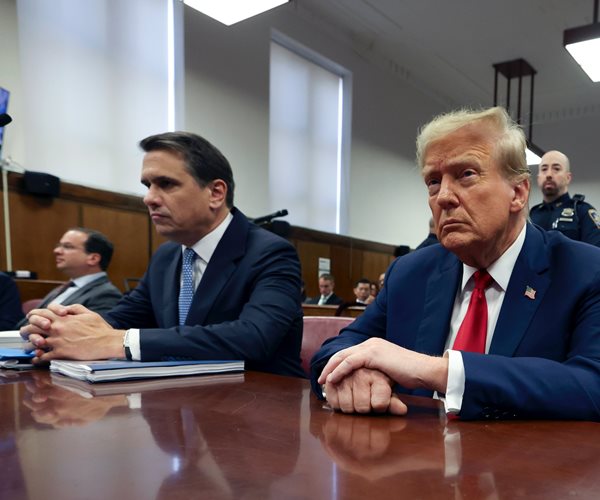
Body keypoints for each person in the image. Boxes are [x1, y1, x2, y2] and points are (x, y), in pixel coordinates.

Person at [312, 107, 600, 421]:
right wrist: (355, 376)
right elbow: (338, 348)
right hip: (411, 448)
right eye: (433, 182)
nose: (444, 197)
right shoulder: (410, 272)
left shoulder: (583, 271)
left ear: (518, 193)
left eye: (466, 174)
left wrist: (438, 371)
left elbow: (592, 385)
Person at [22, 131, 304, 377]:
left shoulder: (271, 252)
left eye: (166, 184)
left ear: (216, 193)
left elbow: (254, 337)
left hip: (257, 404)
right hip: (178, 401)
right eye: (147, 186)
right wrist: (62, 327)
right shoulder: (166, 256)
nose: (149, 198)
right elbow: (124, 317)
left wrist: (119, 342)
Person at [15, 228, 122, 328]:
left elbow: (87, 333)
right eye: (59, 245)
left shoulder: (106, 294)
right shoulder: (64, 287)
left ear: (93, 258)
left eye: (67, 246)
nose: (56, 250)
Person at [530, 150, 600, 246]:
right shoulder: (531, 214)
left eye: (556, 169)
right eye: (544, 169)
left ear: (568, 177)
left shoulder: (582, 211)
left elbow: (596, 251)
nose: (549, 174)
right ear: (538, 178)